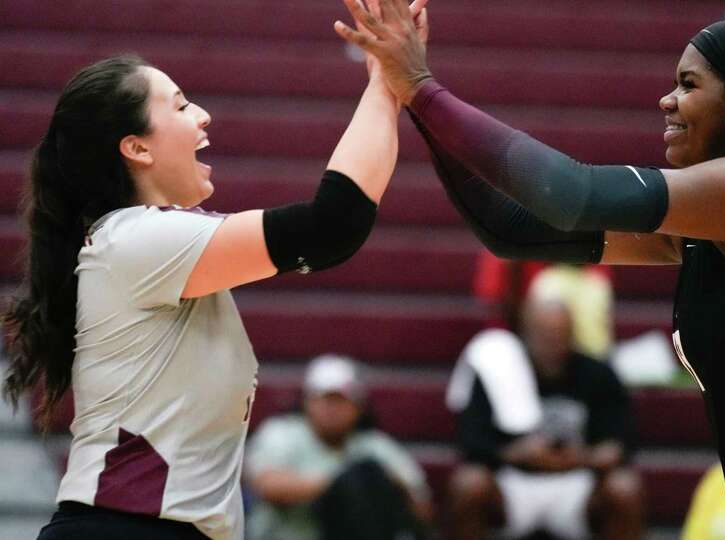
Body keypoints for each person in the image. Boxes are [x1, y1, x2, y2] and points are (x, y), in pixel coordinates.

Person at [336, 2, 725, 538]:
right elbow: (513, 230)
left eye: (688, 84)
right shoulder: (718, 223)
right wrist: (406, 92)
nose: (667, 100)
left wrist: (420, 85)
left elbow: (567, 193)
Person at [0, 3, 427, 538]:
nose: (202, 115)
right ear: (136, 148)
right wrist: (387, 80)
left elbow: (333, 230)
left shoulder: (152, 245)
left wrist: (389, 78)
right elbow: (332, 225)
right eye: (180, 107)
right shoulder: (136, 240)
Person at [445, 298, 643, 540]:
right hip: (513, 482)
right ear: (525, 331)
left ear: (572, 333)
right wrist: (518, 453)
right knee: (468, 483)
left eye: (560, 333)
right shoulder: (498, 370)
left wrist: (579, 457)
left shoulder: (598, 374)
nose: (553, 341)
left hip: (578, 482)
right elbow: (472, 442)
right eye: (545, 333)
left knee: (624, 487)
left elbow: (620, 443)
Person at [245, 355, 431, 540]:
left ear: (358, 407)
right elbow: (267, 485)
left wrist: (388, 488)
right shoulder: (281, 433)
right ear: (307, 402)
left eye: (341, 401)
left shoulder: (375, 444)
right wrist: (344, 482)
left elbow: (423, 508)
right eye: (325, 400)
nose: (332, 409)